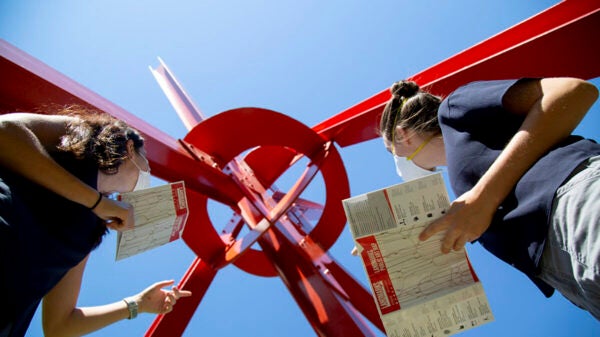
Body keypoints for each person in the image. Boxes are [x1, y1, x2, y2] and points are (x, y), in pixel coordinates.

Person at [379, 77, 600, 319]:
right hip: (565, 270)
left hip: (574, 200)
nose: (397, 161)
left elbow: (575, 91)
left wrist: (484, 196)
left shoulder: (453, 107)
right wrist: (386, 245)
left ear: (403, 135)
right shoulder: (463, 182)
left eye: (392, 152)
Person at [0, 105, 192, 337]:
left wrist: (137, 304)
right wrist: (97, 203)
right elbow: (5, 130)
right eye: (147, 166)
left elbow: (59, 326)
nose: (147, 176)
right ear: (130, 148)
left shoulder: (91, 228)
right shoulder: (76, 137)